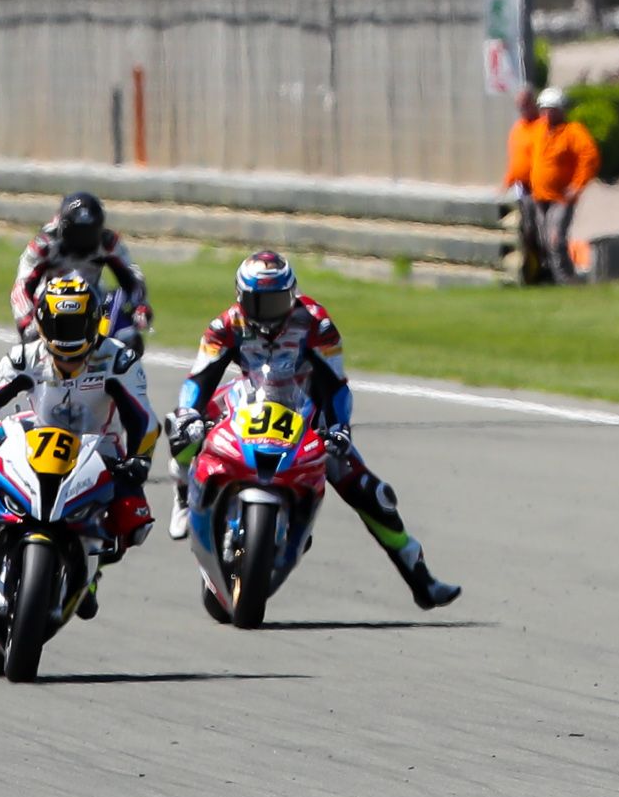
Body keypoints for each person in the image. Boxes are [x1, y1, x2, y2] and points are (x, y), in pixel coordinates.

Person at [167, 251, 460, 609]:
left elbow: (336, 385)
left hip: (305, 411)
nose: (268, 312)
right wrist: (188, 413)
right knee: (180, 427)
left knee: (372, 492)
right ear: (241, 298)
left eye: (276, 301)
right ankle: (183, 492)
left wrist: (339, 428)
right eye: (258, 302)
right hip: (247, 402)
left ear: (291, 295)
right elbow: (198, 379)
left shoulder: (316, 324)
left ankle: (421, 579)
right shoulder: (224, 326)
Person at [0, 274, 156, 618]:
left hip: (98, 443)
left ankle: (91, 569)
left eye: (76, 325)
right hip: (36, 429)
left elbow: (143, 418)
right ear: (42, 323)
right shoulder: (24, 357)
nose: (68, 336)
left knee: (133, 517)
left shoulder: (119, 360)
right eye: (60, 325)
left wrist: (140, 459)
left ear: (94, 322)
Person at [9, 192, 151, 341]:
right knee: (29, 345)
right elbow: (21, 286)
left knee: (131, 338)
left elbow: (133, 277)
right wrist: (26, 322)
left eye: (90, 234)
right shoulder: (43, 244)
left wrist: (140, 305)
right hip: (50, 307)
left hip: (92, 303)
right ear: (64, 229)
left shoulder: (108, 242)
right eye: (77, 235)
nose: (83, 242)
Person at [508, 86, 599, 284]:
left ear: (561, 110)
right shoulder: (538, 130)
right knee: (541, 241)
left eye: (552, 108)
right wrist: (512, 180)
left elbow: (589, 158)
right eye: (544, 108)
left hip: (561, 199)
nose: (547, 113)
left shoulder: (572, 131)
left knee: (555, 240)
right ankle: (548, 277)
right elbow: (522, 156)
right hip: (539, 196)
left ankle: (566, 280)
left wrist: (577, 185)